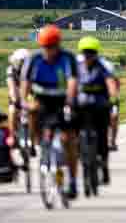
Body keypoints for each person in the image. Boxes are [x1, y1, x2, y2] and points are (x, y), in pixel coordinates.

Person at [21, 25, 79, 198]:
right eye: (45, 47)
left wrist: (70, 101)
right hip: (42, 99)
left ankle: (73, 182)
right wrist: (24, 102)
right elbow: (25, 82)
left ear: (58, 45)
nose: (49, 51)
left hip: (62, 100)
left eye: (52, 46)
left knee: (69, 140)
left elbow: (72, 82)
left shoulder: (67, 58)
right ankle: (36, 143)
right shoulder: (34, 59)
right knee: (32, 111)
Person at [75, 36, 117, 185]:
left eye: (91, 52)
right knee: (73, 129)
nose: (88, 55)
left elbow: (110, 82)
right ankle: (79, 152)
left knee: (102, 136)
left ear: (96, 53)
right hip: (81, 106)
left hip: (100, 106)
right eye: (85, 52)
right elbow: (71, 83)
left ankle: (104, 166)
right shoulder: (77, 66)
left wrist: (113, 98)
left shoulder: (102, 66)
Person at [7, 48, 31, 152]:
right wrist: (15, 99)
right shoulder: (11, 70)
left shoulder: (33, 70)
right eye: (19, 62)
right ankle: (13, 136)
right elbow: (11, 86)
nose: (20, 64)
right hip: (17, 94)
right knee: (12, 110)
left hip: (30, 94)